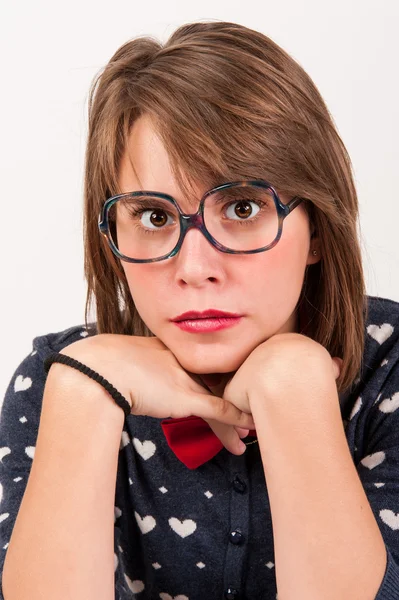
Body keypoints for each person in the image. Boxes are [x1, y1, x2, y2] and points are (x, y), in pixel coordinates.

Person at [1, 20, 398, 600]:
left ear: (316, 228)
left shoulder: (390, 370)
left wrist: (293, 387)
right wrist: (86, 396)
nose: (194, 267)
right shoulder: (57, 381)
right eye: (155, 217)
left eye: (241, 207)